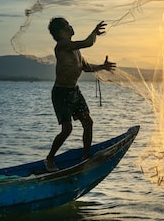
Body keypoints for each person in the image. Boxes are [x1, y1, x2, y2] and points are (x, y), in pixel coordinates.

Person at [44, 17, 116, 172]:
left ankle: (85, 157)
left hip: (74, 91)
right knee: (67, 129)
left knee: (88, 123)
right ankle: (49, 159)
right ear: (61, 32)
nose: (71, 26)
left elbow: (86, 67)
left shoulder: (75, 50)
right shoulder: (62, 46)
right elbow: (88, 42)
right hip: (61, 93)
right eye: (68, 25)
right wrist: (95, 32)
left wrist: (102, 66)